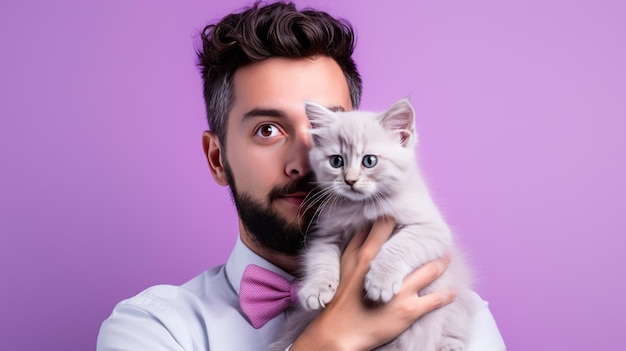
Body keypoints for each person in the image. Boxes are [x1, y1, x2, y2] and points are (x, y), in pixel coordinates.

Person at [97, 2, 506, 350]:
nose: (305, 161)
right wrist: (331, 339)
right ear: (217, 159)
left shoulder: (459, 315)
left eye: (326, 133)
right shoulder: (154, 328)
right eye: (268, 130)